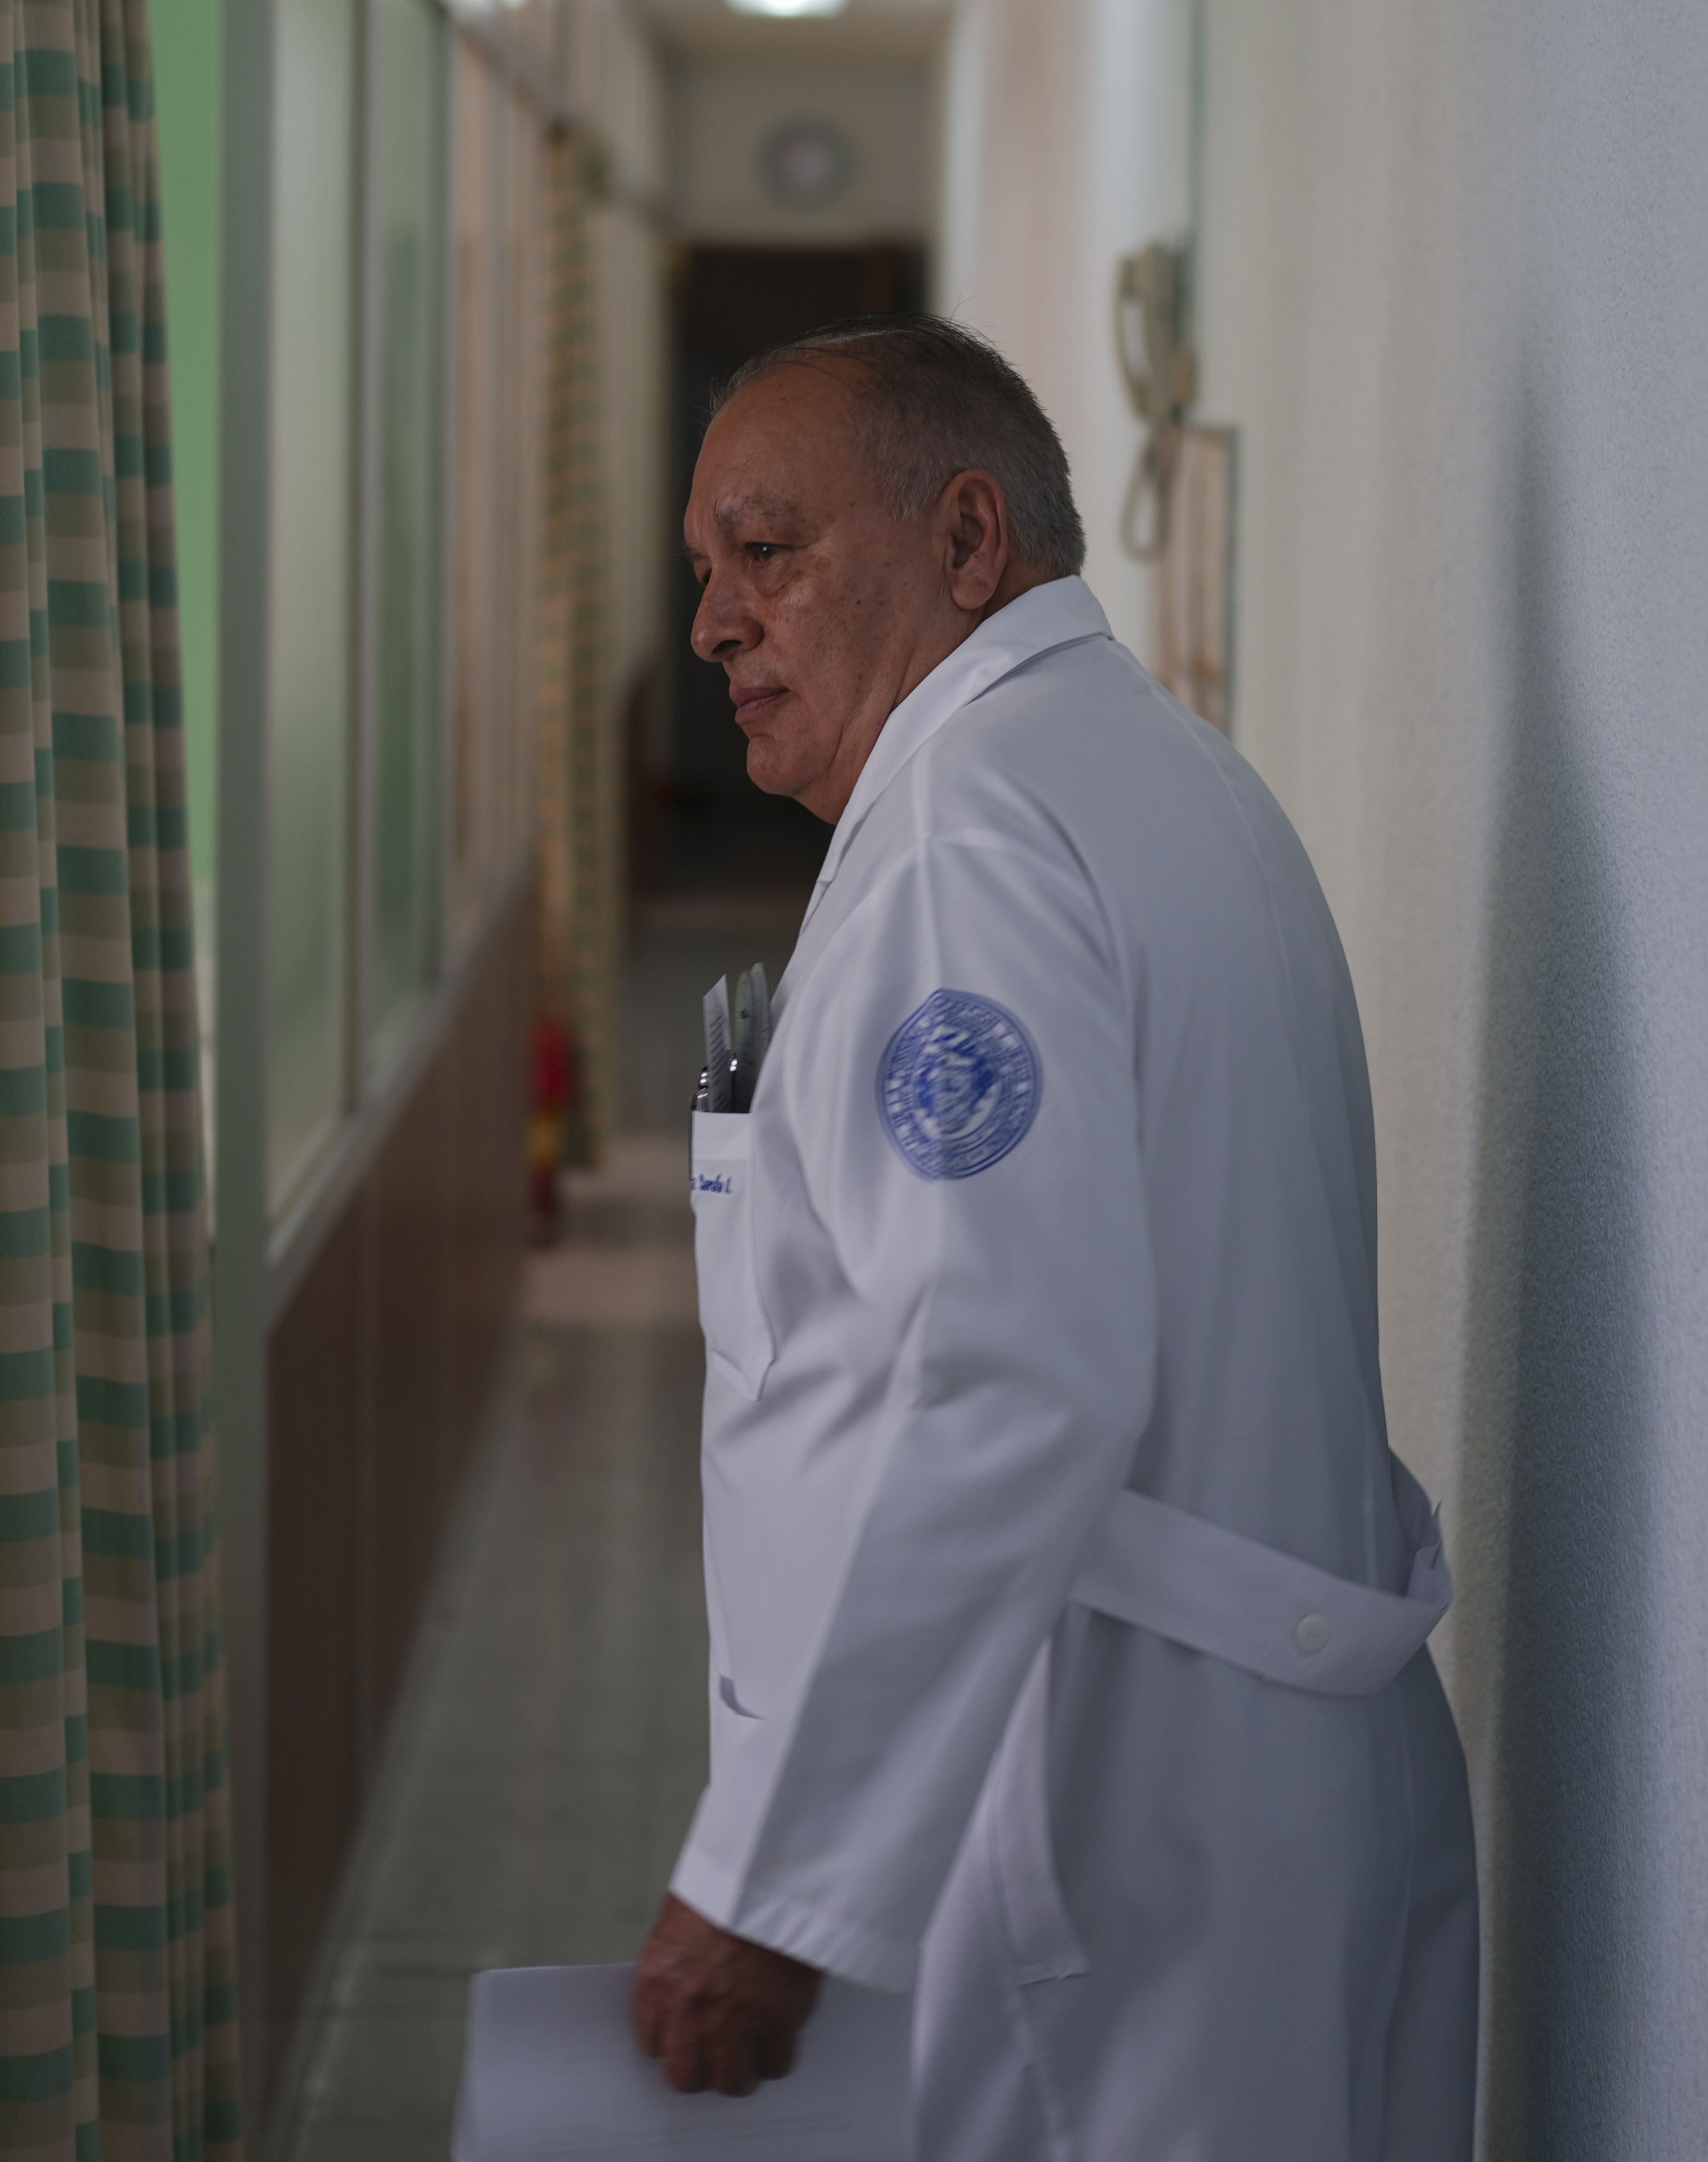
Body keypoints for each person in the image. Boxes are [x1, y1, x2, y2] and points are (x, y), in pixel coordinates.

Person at [629, 317, 1478, 2160]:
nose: (709, 626)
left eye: (764, 555)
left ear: (961, 541)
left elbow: (1003, 1378)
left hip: (1105, 1814)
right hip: (1248, 1761)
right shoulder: (1151, 774)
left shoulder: (968, 839)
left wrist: (780, 1882)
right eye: (703, 573)